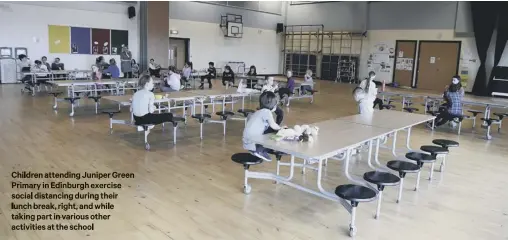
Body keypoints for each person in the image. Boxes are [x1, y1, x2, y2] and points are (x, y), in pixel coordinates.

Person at [242, 91, 282, 161]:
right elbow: (273, 125)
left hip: (247, 142)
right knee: (274, 132)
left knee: (269, 132)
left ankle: (259, 149)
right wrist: (282, 128)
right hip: (253, 142)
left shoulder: (258, 112)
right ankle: (260, 150)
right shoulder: (267, 112)